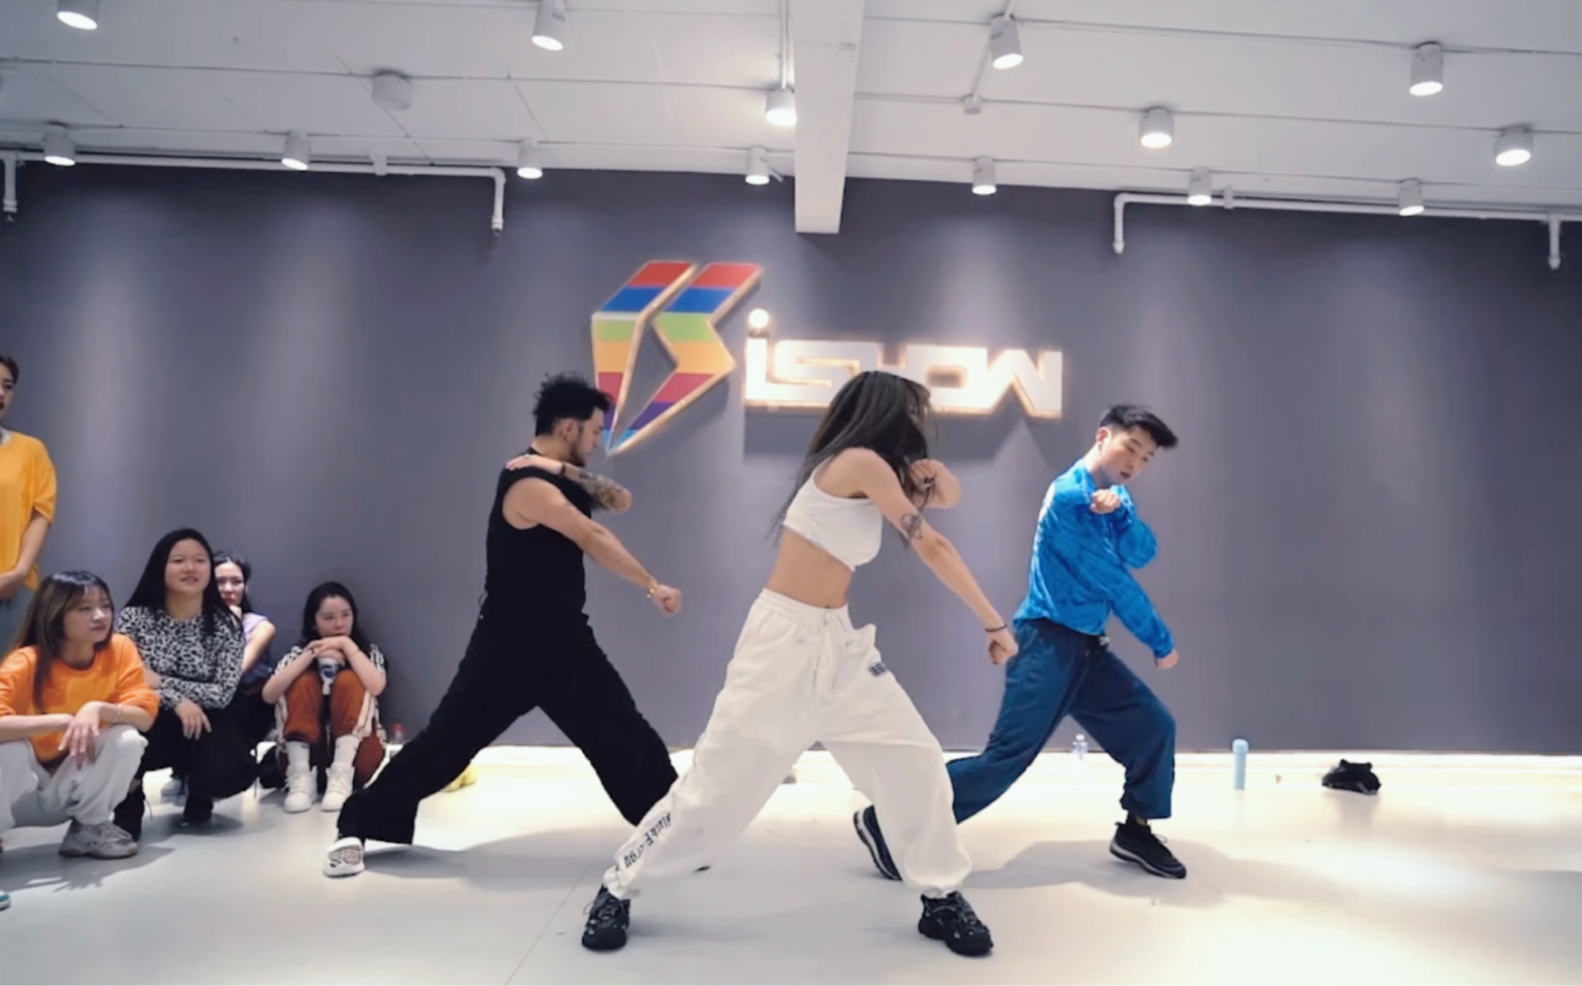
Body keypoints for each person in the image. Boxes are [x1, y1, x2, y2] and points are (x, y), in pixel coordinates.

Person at [580, 370, 1015, 958]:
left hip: (842, 647)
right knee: (718, 789)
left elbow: (949, 495)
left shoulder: (877, 473)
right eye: (911, 413)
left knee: (915, 762)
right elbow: (933, 544)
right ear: (886, 414)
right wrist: (992, 621)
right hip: (782, 646)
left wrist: (931, 474)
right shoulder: (858, 462)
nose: (918, 424)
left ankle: (940, 895)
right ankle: (618, 886)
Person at [322, 373, 682, 878]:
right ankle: (355, 825)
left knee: (623, 733)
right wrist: (651, 584)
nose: (597, 442)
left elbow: (621, 499)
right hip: (507, 647)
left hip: (565, 642)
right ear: (568, 427)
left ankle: (676, 832)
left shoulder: (555, 474)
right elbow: (593, 535)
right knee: (445, 745)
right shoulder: (527, 484)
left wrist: (557, 464)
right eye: (594, 432)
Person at [853, 405, 1187, 881]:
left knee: (1153, 727)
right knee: (1004, 762)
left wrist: (1121, 513)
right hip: (1047, 644)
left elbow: (1143, 551)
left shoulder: (1114, 495)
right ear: (1102, 436)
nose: (1135, 462)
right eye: (1130, 448)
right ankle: (886, 821)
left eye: (1146, 458)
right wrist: (1160, 641)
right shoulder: (1070, 499)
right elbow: (1114, 582)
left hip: (1088, 650)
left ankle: (1136, 831)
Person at [0, 571, 159, 909]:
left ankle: (89, 828)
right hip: (19, 793)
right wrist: (60, 721)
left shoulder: (119, 648)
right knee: (9, 748)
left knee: (126, 738)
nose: (100, 616)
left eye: (105, 605)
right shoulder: (26, 661)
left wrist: (98, 708)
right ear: (54, 614)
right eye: (84, 608)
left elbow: (145, 715)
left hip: (70, 781)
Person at [110, 529, 253, 835]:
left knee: (226, 769)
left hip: (207, 717)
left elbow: (222, 693)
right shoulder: (133, 618)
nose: (190, 568)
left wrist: (160, 681)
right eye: (178, 561)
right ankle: (129, 804)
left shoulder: (225, 623)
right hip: (147, 713)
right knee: (123, 733)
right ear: (160, 567)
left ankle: (200, 792)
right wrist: (178, 701)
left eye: (199, 560)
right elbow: (126, 680)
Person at [263, 582, 387, 813]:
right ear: (314, 622)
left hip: (357, 760)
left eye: (345, 615)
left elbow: (377, 686)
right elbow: (269, 694)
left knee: (350, 680)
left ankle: (340, 777)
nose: (339, 624)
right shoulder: (298, 653)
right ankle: (300, 779)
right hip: (306, 757)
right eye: (329, 618)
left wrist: (347, 647)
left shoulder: (367, 652)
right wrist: (312, 653)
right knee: (301, 680)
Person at [163, 551, 278, 800]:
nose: (228, 589)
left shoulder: (260, 626)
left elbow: (232, 672)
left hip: (244, 705)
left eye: (236, 582)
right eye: (220, 582)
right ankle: (183, 770)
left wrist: (230, 628)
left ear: (246, 587)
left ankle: (203, 782)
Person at [0, 355, 58, 655]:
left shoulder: (30, 451)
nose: (1, 393)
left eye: (7, 386)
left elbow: (41, 513)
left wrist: (18, 572)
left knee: (10, 676)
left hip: (12, 589)